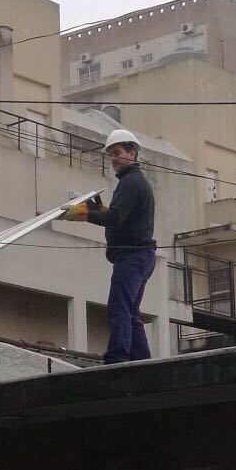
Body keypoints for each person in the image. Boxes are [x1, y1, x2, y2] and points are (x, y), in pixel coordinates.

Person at [59, 128, 156, 364]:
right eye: (110, 154)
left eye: (117, 153)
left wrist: (81, 215)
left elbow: (115, 218)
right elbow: (120, 216)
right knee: (130, 312)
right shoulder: (134, 182)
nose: (113, 158)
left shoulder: (131, 183)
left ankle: (117, 358)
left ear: (131, 152)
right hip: (141, 255)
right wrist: (97, 209)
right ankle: (141, 361)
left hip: (132, 256)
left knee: (119, 308)